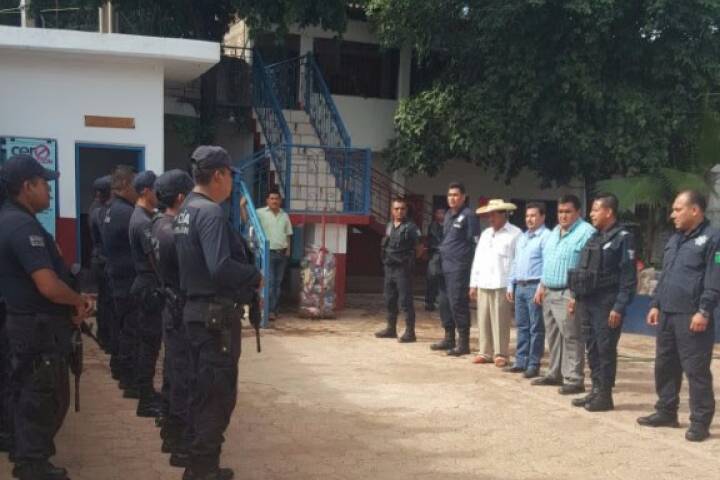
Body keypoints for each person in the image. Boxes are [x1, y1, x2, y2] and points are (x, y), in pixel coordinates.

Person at [0, 155, 92, 480]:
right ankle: (32, 465)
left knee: (26, 391)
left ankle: (25, 453)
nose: (49, 191)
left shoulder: (10, 218)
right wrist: (78, 300)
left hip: (26, 324)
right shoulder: (23, 226)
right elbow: (48, 286)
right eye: (44, 184)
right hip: (37, 328)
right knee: (42, 397)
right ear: (27, 187)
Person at [174, 145, 261, 480]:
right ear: (219, 175)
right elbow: (220, 266)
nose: (231, 184)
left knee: (202, 391)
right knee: (216, 396)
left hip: (196, 313)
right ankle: (203, 470)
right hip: (213, 319)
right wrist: (254, 276)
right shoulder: (209, 212)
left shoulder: (186, 210)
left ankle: (199, 464)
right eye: (230, 176)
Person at [637, 191, 720, 442]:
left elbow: (715, 278)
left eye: (677, 209)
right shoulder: (675, 239)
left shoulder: (713, 239)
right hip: (667, 314)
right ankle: (666, 411)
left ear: (695, 210)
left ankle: (700, 422)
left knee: (696, 371)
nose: (672, 214)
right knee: (665, 366)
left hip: (692, 316)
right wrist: (655, 304)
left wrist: (704, 311)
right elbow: (666, 274)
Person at [569, 193, 636, 411]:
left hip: (607, 303)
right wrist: (576, 297)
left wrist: (619, 306)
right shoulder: (595, 237)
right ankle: (596, 389)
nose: (591, 214)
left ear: (608, 212)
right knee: (592, 347)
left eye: (596, 210)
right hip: (588, 300)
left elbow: (628, 278)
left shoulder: (623, 238)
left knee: (605, 349)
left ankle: (605, 395)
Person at [150, 169, 195, 468]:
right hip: (179, 307)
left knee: (172, 370)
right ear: (181, 197)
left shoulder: (157, 225)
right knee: (183, 377)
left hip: (170, 304)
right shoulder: (174, 233)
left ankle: (170, 431)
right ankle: (179, 444)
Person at [532, 194, 595, 395]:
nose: (563, 216)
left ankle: (574, 379)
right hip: (549, 290)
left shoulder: (586, 232)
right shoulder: (554, 232)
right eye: (560, 211)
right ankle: (555, 373)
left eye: (568, 211)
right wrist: (541, 286)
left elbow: (586, 267)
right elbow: (548, 261)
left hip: (569, 292)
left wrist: (577, 296)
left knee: (572, 336)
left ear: (578, 212)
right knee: (553, 336)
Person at [101, 165, 140, 398]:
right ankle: (129, 379)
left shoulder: (109, 209)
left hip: (117, 277)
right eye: (135, 185)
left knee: (121, 327)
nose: (138, 191)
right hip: (128, 280)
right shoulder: (126, 213)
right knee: (131, 332)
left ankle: (119, 368)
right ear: (125, 184)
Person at [128, 170, 165, 418]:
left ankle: (147, 393)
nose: (159, 194)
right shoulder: (142, 222)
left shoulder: (145, 216)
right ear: (145, 191)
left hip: (146, 284)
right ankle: (145, 399)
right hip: (149, 286)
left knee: (149, 344)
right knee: (149, 345)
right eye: (155, 189)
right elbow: (156, 260)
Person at [469, 199, 521, 367]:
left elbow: (517, 261)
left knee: (500, 320)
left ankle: (501, 353)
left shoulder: (515, 234)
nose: (490, 218)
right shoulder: (486, 234)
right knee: (483, 319)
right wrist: (473, 283)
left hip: (502, 282)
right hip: (484, 281)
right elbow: (478, 259)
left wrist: (512, 284)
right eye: (489, 215)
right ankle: (485, 352)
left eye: (494, 215)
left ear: (504, 214)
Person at [431, 182, 480, 356]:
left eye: (456, 195)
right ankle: (449, 338)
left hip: (459, 268)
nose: (452, 198)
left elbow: (474, 244)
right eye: (450, 195)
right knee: (444, 303)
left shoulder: (469, 216)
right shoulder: (448, 215)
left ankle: (463, 343)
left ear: (463, 197)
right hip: (444, 266)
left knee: (458, 303)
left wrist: (470, 268)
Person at [505, 202, 550, 378]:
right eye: (527, 216)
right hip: (520, 286)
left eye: (533, 215)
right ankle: (521, 361)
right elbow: (515, 262)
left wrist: (541, 287)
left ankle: (533, 364)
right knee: (522, 326)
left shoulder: (546, 237)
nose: (529, 219)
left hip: (534, 286)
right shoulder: (522, 238)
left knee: (536, 327)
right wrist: (511, 284)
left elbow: (547, 264)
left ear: (542, 217)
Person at [241, 188, 292, 323]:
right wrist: (242, 207)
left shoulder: (284, 215)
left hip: (281, 253)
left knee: (277, 284)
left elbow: (288, 234)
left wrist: (288, 250)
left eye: (277, 199)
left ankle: (273, 310)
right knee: (269, 282)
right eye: (272, 198)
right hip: (267, 253)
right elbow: (247, 222)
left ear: (280, 201)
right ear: (267, 200)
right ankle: (267, 311)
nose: (274, 201)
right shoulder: (260, 213)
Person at [375, 198, 421, 343]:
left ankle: (410, 332)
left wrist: (409, 262)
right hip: (389, 268)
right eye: (396, 209)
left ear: (406, 210)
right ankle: (391, 329)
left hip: (403, 269)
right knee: (389, 299)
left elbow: (419, 248)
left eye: (402, 209)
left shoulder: (411, 227)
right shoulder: (389, 225)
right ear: (392, 210)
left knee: (405, 301)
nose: (399, 211)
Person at [88, 175, 112, 351]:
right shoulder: (99, 211)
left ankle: (104, 335)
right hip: (102, 260)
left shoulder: (96, 208)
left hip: (99, 259)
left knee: (104, 299)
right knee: (106, 300)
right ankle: (106, 336)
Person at [424, 208, 445, 311]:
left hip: (446, 255)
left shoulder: (449, 225)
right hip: (435, 254)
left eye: (442, 213)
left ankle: (442, 302)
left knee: (444, 280)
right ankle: (429, 302)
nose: (440, 215)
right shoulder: (432, 226)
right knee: (431, 278)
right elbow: (431, 240)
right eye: (438, 213)